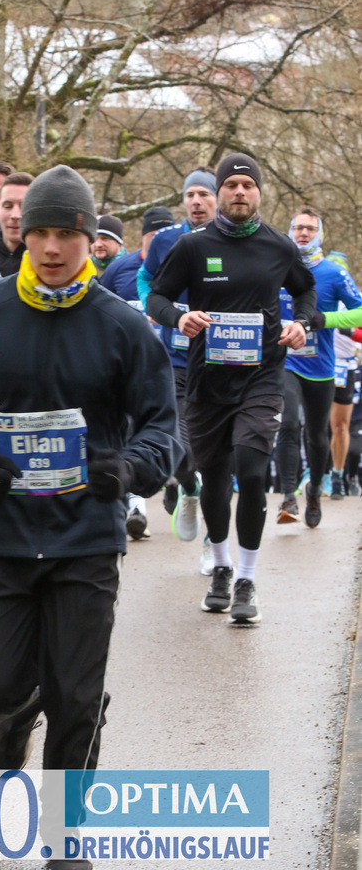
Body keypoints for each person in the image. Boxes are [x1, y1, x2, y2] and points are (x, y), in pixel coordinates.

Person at [0, 165, 181, 859]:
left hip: (84, 542)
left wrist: (130, 468)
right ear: (23, 235)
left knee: (77, 696)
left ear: (88, 240)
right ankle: (12, 721)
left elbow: (163, 427)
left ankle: (65, 837)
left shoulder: (123, 328)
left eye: (64, 232)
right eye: (38, 230)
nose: (49, 246)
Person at [148, 153, 316, 625]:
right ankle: (220, 567)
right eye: (232, 185)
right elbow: (155, 296)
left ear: (259, 193)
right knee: (216, 479)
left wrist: (300, 323)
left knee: (251, 465)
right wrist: (179, 316)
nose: (240, 191)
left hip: (262, 376)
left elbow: (305, 291)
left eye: (248, 184)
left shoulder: (279, 247)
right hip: (207, 380)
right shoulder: (193, 247)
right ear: (219, 192)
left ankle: (246, 578)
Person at [137, 170, 217, 565]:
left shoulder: (237, 242)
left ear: (217, 199)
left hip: (224, 361)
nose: (197, 201)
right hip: (177, 359)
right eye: (190, 194)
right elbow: (145, 279)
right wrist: (160, 314)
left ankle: (213, 543)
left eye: (204, 193)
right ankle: (188, 487)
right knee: (182, 442)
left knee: (218, 456)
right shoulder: (168, 239)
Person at [276, 211, 362, 524]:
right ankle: (287, 497)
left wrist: (326, 320)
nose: (303, 233)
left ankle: (313, 489)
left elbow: (361, 313)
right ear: (289, 231)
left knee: (316, 434)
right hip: (285, 361)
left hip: (322, 366)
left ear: (320, 235)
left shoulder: (334, 274)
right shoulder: (276, 266)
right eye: (298, 227)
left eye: (310, 229)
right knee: (286, 425)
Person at [100, 204, 175, 539]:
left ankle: (181, 479)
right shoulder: (121, 270)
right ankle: (136, 505)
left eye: (165, 233)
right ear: (142, 236)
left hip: (177, 364)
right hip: (130, 366)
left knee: (175, 433)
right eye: (153, 233)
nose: (159, 238)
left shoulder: (184, 267)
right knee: (128, 429)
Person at [99, 205, 174, 300]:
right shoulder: (118, 267)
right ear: (143, 236)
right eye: (155, 235)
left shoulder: (185, 267)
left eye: (167, 234)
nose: (162, 239)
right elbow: (98, 303)